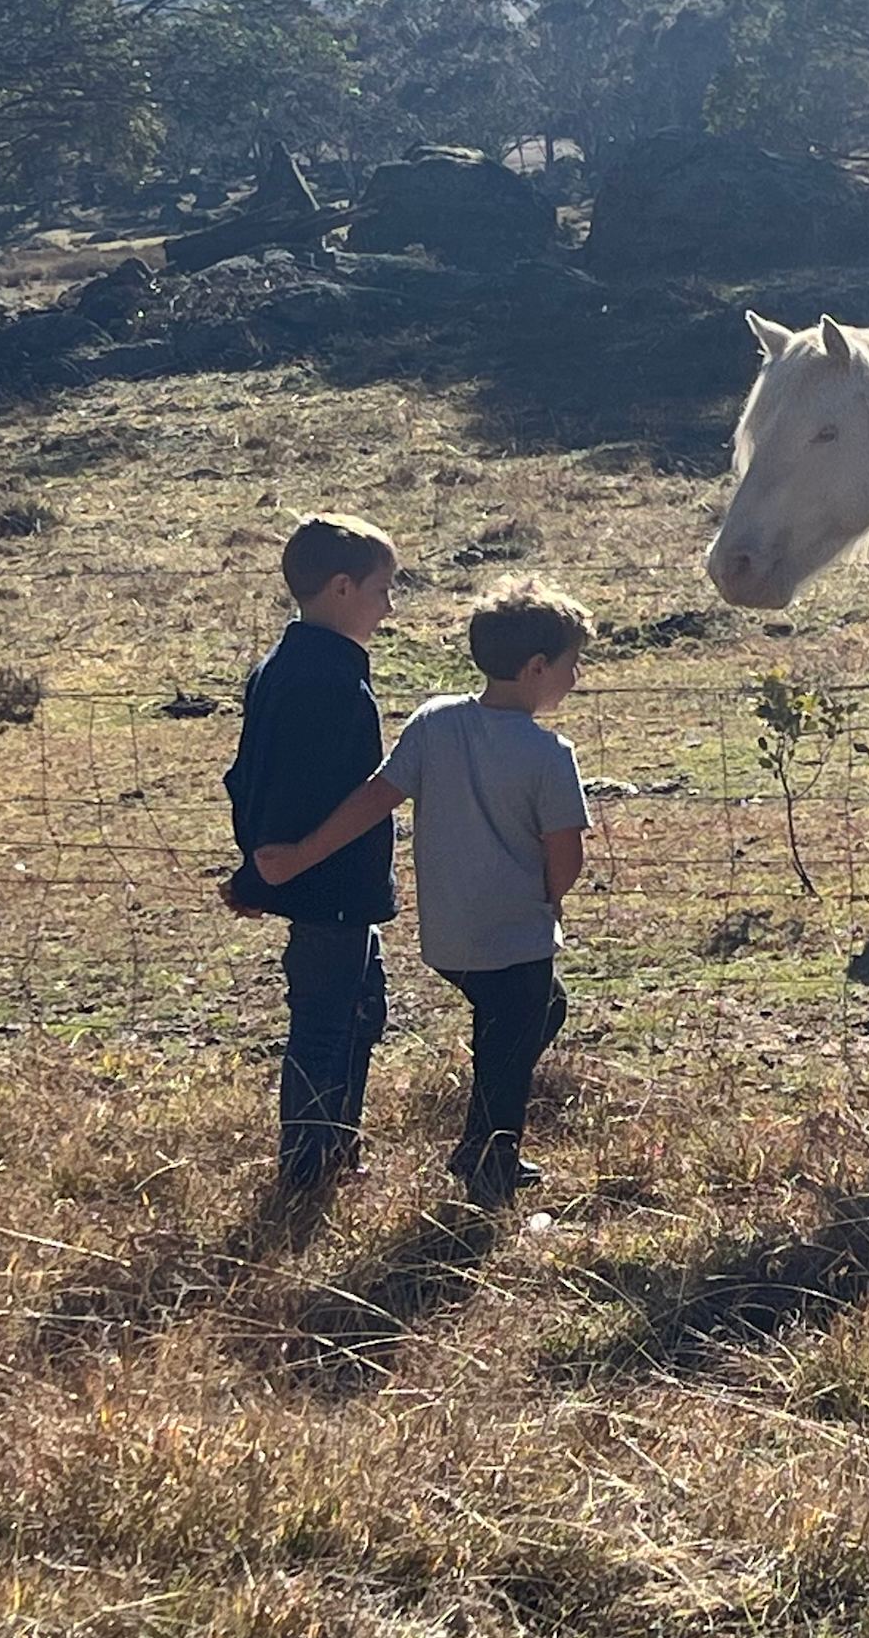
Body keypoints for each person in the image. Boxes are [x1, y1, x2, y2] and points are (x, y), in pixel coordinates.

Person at [256, 575, 595, 1206]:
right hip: (515, 933)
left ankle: (479, 1143)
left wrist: (303, 854)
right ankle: (490, 1161)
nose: (575, 679)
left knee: (535, 1014)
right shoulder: (552, 755)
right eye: (571, 666)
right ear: (537, 666)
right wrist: (552, 898)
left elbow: (374, 798)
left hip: (448, 936)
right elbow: (565, 856)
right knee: (511, 1043)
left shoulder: (435, 722)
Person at [221, 514, 400, 1195]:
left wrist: (258, 870)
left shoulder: (287, 665)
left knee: (356, 1013)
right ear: (343, 588)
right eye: (385, 586)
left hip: (329, 887)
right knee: (325, 1028)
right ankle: (306, 1173)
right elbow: (297, 792)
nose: (391, 603)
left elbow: (249, 779)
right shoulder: (322, 681)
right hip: (329, 887)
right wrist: (277, 865)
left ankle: (334, 1158)